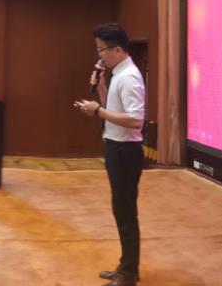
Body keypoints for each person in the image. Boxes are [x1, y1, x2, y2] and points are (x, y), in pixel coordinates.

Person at [75, 23, 147, 286]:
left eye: (101, 49)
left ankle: (128, 273)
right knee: (121, 210)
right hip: (116, 148)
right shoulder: (118, 74)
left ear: (118, 49)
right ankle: (125, 266)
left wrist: (97, 111)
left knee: (125, 212)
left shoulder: (129, 77)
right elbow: (113, 109)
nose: (99, 56)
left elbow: (136, 120)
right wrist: (102, 86)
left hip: (125, 152)